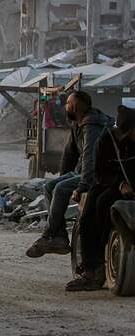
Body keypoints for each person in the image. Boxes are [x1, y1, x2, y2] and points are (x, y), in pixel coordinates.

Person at [26, 91, 111, 258]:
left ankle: (49, 234)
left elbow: (90, 159)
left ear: (75, 106)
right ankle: (59, 237)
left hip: (97, 174)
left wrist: (82, 186)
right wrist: (63, 178)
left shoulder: (92, 126)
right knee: (50, 186)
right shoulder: (78, 124)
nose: (65, 107)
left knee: (60, 189)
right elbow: (69, 154)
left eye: (68, 104)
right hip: (81, 171)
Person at [67, 105, 134, 291]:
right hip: (108, 184)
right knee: (94, 209)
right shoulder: (107, 140)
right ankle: (92, 269)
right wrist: (120, 184)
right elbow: (100, 172)